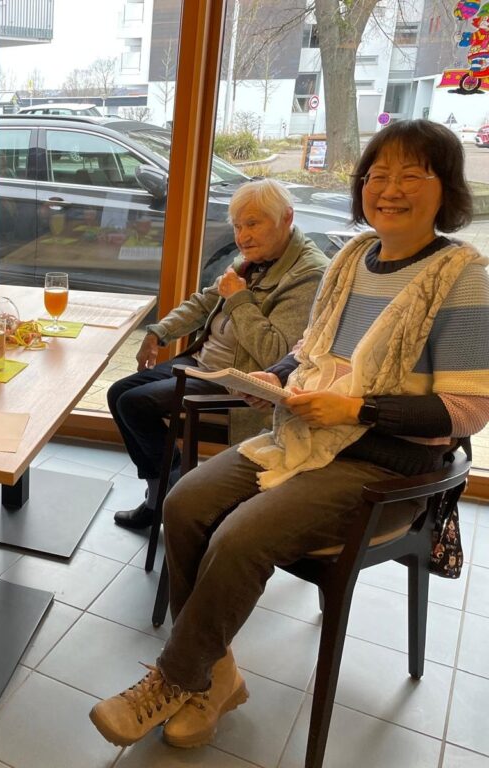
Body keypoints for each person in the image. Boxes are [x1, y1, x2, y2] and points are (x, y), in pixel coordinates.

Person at [90, 119, 489, 750]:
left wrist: (358, 409)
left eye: (414, 174)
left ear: (448, 189)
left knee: (240, 535)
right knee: (184, 501)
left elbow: (470, 409)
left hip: (385, 464)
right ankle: (216, 678)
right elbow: (308, 350)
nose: (390, 188)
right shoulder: (354, 259)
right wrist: (272, 379)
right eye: (379, 174)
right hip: (303, 435)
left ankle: (175, 678)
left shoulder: (461, 274)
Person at [107, 178, 329, 529]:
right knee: (119, 392)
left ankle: (168, 494)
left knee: (135, 404)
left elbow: (275, 352)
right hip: (203, 363)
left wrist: (239, 299)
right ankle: (165, 491)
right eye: (238, 226)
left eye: (253, 224)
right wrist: (159, 332)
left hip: (240, 381)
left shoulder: (308, 273)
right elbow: (205, 301)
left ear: (287, 217)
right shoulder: (253, 258)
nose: (243, 236)